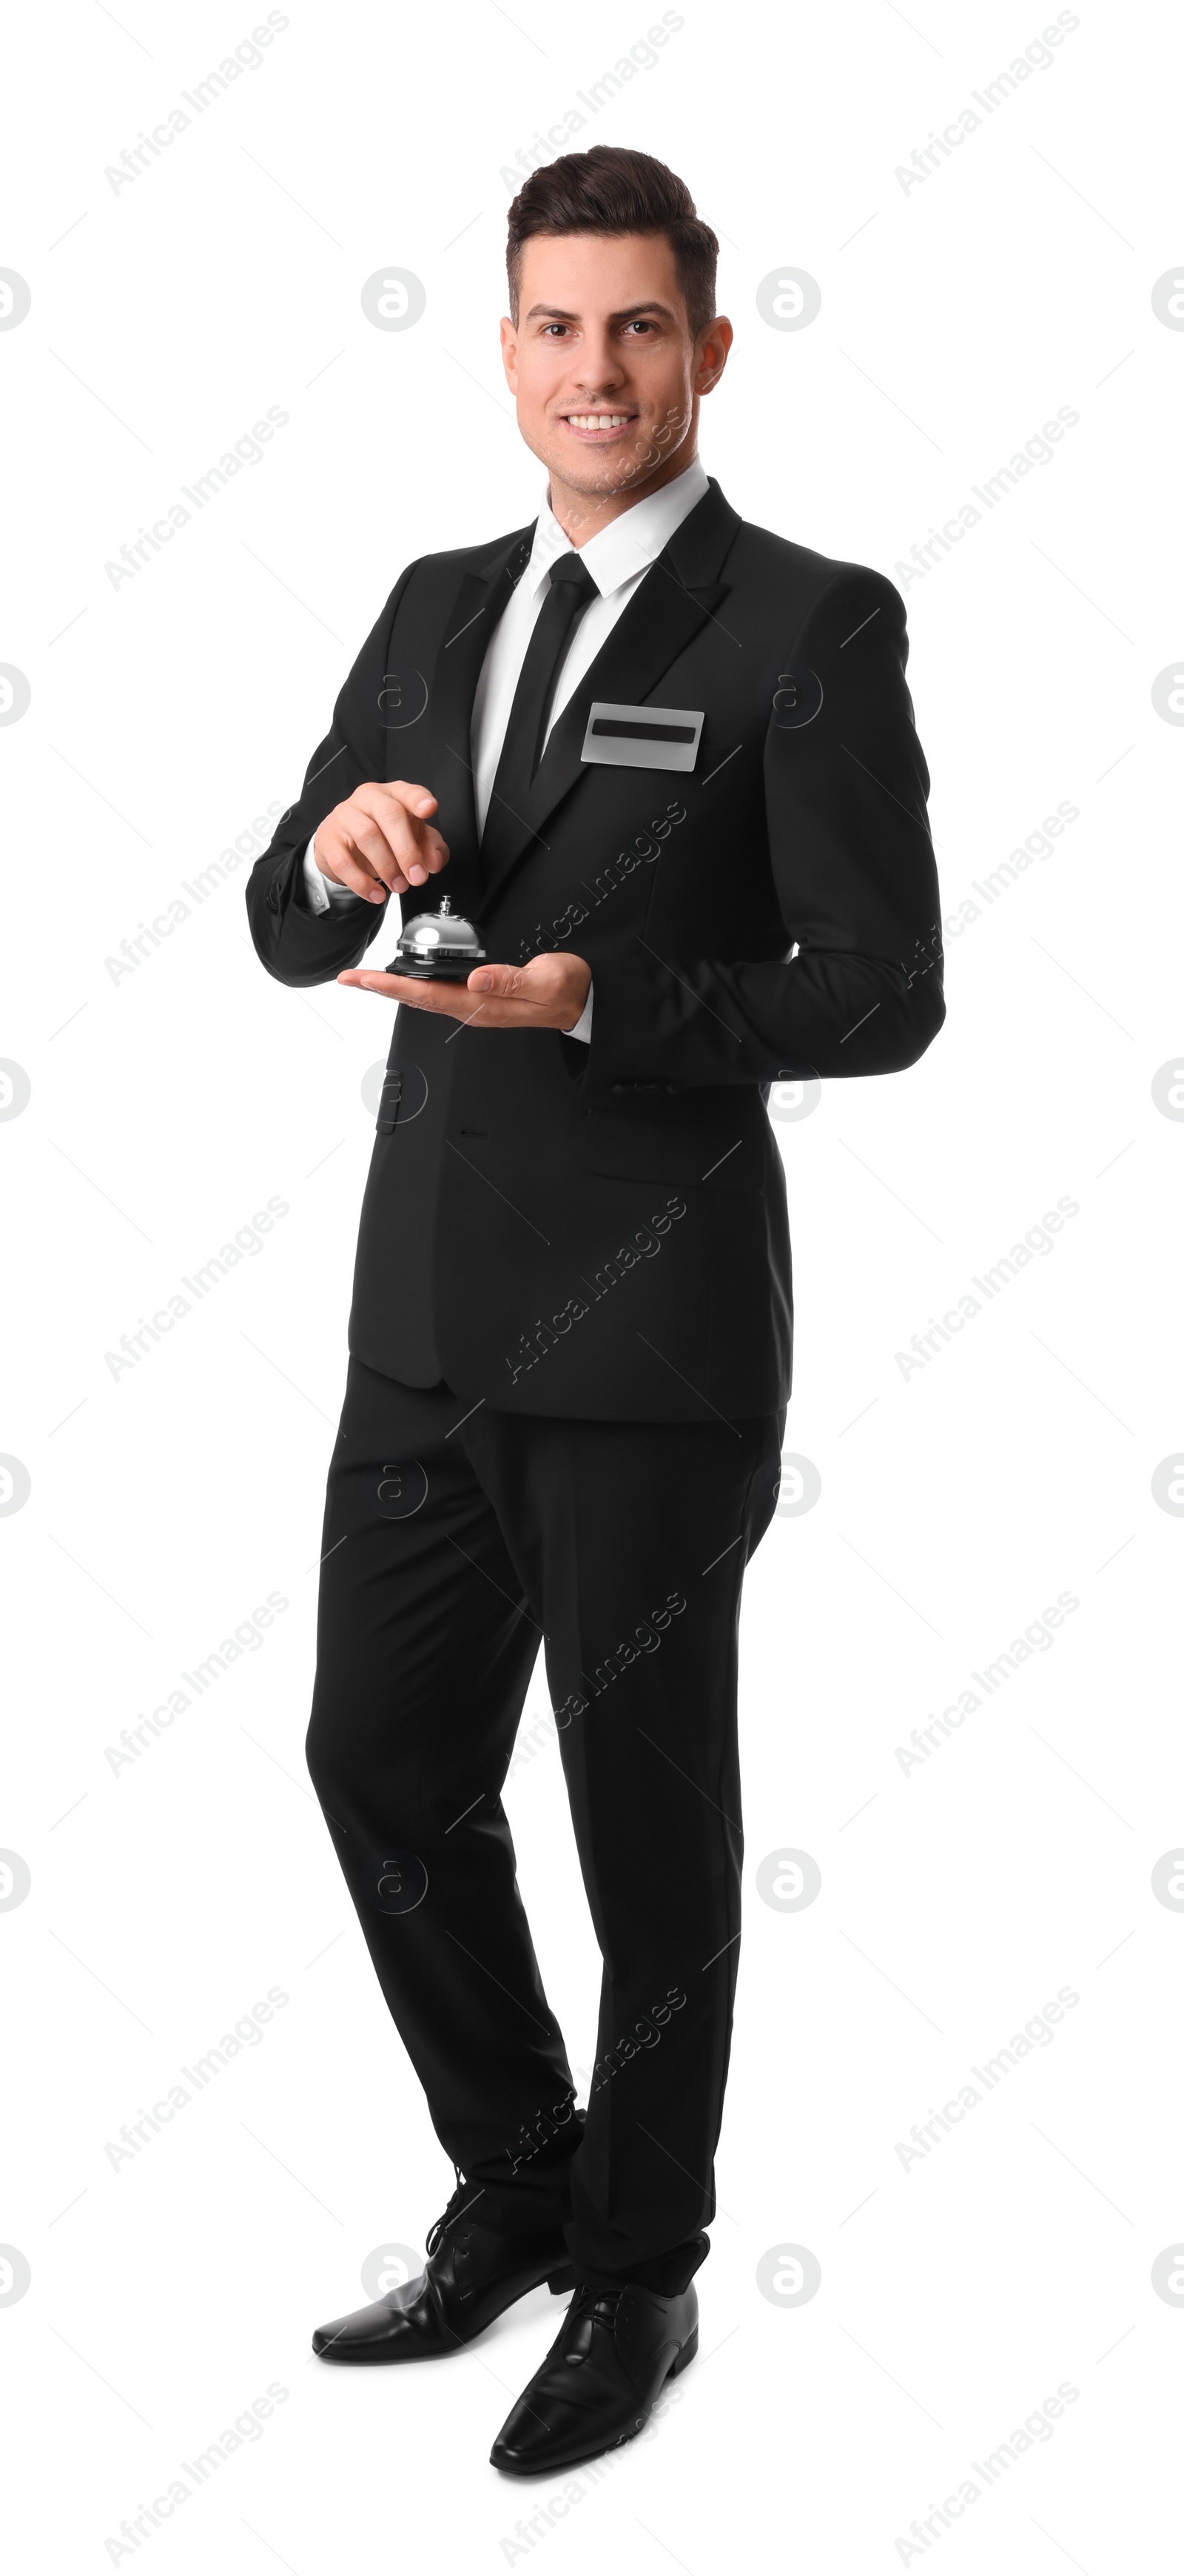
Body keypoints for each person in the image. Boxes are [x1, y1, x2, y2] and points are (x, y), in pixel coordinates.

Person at [245, 144, 944, 2476]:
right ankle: (522, 2175)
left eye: (640, 326)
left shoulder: (806, 625)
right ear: (508, 346)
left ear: (710, 348)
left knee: (649, 1839)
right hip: (419, 1327)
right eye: (557, 325)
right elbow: (279, 901)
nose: (598, 369)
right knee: (377, 1765)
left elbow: (882, 990)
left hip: (649, 1354)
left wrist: (595, 999)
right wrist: (333, 840)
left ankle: (640, 2275)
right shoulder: (438, 600)